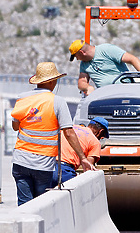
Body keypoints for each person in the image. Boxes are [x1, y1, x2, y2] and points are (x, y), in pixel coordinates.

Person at [11, 62, 96, 205]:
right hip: (42, 164)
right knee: (40, 206)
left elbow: (15, 126)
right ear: (51, 81)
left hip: (20, 161)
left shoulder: (22, 98)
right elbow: (68, 132)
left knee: (24, 206)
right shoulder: (57, 101)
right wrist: (82, 158)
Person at [68, 39, 140, 95]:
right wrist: (88, 87)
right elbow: (81, 82)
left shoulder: (106, 50)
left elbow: (132, 59)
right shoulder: (84, 64)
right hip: (106, 96)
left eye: (76, 56)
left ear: (82, 52)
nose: (77, 59)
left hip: (125, 91)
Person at [51, 117, 109, 186]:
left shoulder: (71, 129)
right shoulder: (95, 141)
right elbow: (88, 169)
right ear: (100, 132)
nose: (101, 139)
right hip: (65, 171)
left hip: (48, 166)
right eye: (102, 136)